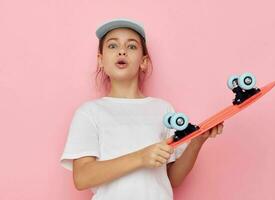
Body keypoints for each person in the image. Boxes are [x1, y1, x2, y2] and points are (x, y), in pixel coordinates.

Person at [59, 18, 224, 200]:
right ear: (100, 60)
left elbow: (172, 179)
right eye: (113, 46)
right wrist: (141, 158)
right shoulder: (89, 112)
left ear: (143, 61)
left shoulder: (164, 109)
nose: (122, 50)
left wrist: (197, 142)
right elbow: (82, 178)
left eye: (131, 46)